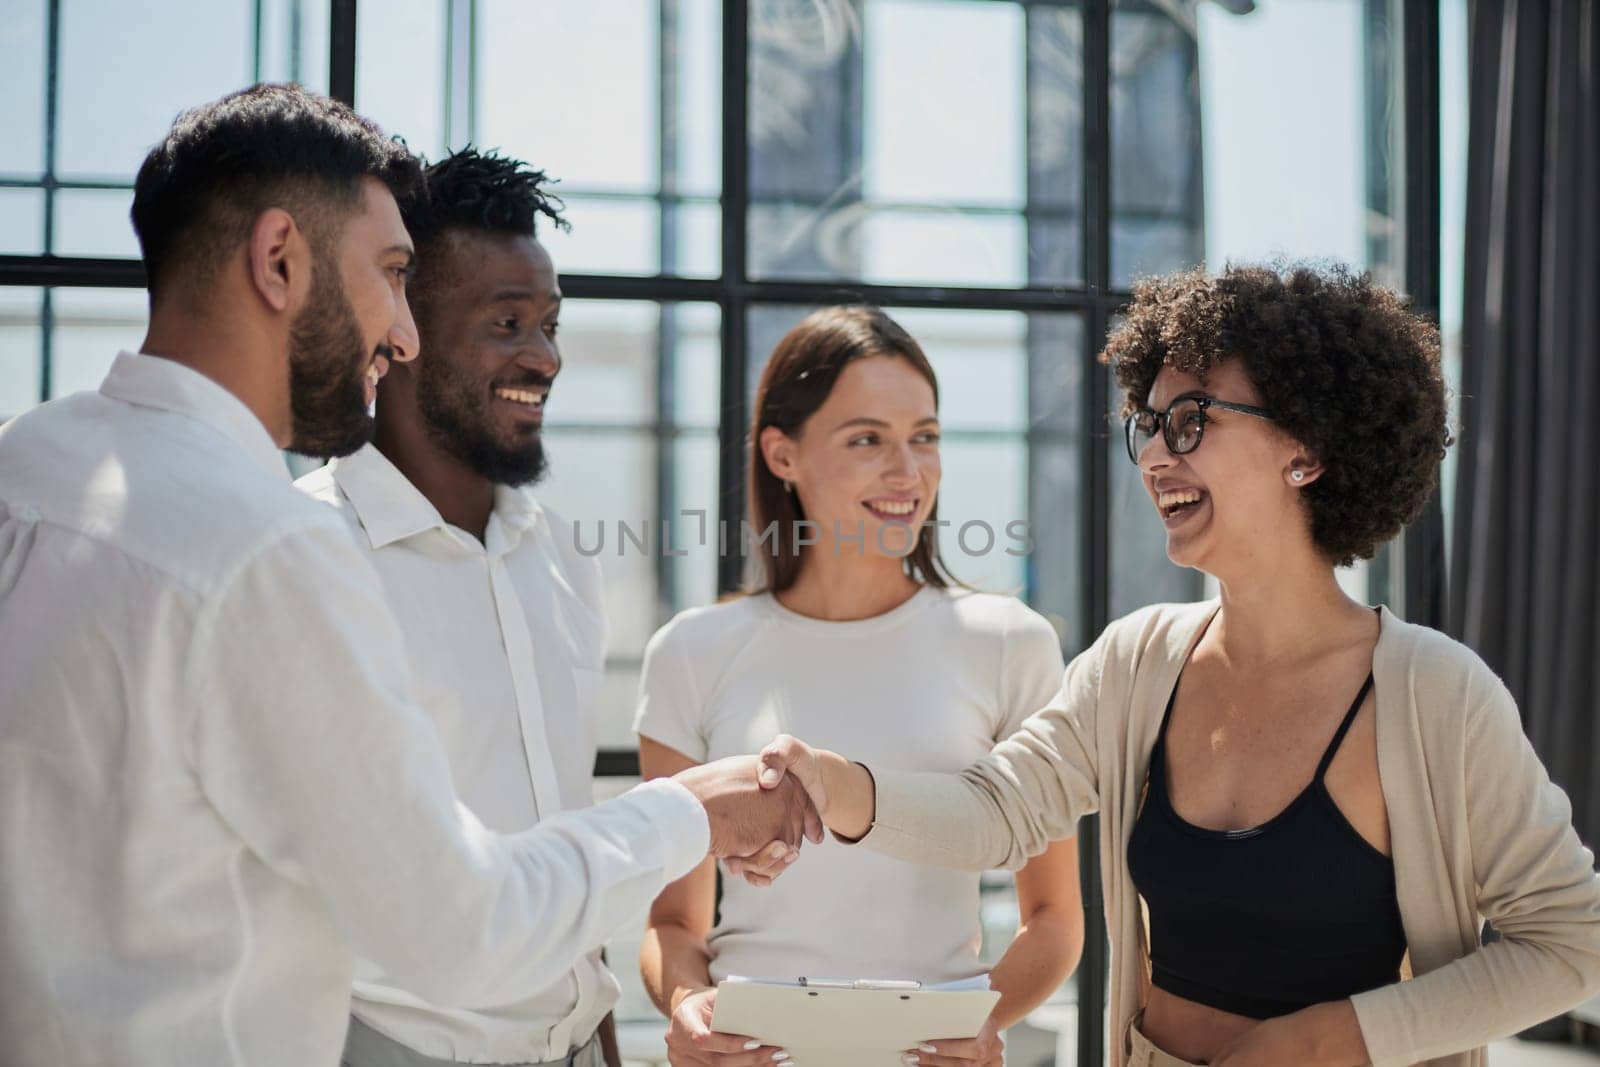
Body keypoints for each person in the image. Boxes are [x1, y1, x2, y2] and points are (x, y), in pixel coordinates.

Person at [0, 85, 815, 1067]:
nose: (401, 332)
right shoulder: (276, 548)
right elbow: (458, 924)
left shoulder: (30, 461)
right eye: (388, 275)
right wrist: (689, 812)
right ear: (279, 260)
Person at [755, 266, 1600, 1067]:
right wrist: (833, 782)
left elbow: (1571, 941)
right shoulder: (1138, 660)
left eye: (1191, 420)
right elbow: (997, 808)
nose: (1157, 455)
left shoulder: (1436, 695)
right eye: (1148, 425)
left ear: (1305, 448)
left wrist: (1332, 1038)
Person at [635, 306, 1083, 1067]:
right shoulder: (692, 651)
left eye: (926, 437)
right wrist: (686, 1005)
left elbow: (1054, 916)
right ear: (783, 454)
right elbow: (673, 922)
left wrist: (985, 1022)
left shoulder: (1011, 643)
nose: (909, 473)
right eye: (867, 438)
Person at [295, 146, 629, 1067]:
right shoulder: (308, 553)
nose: (545, 356)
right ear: (402, 331)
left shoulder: (562, 557)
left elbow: (563, 834)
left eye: (551, 323)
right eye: (507, 322)